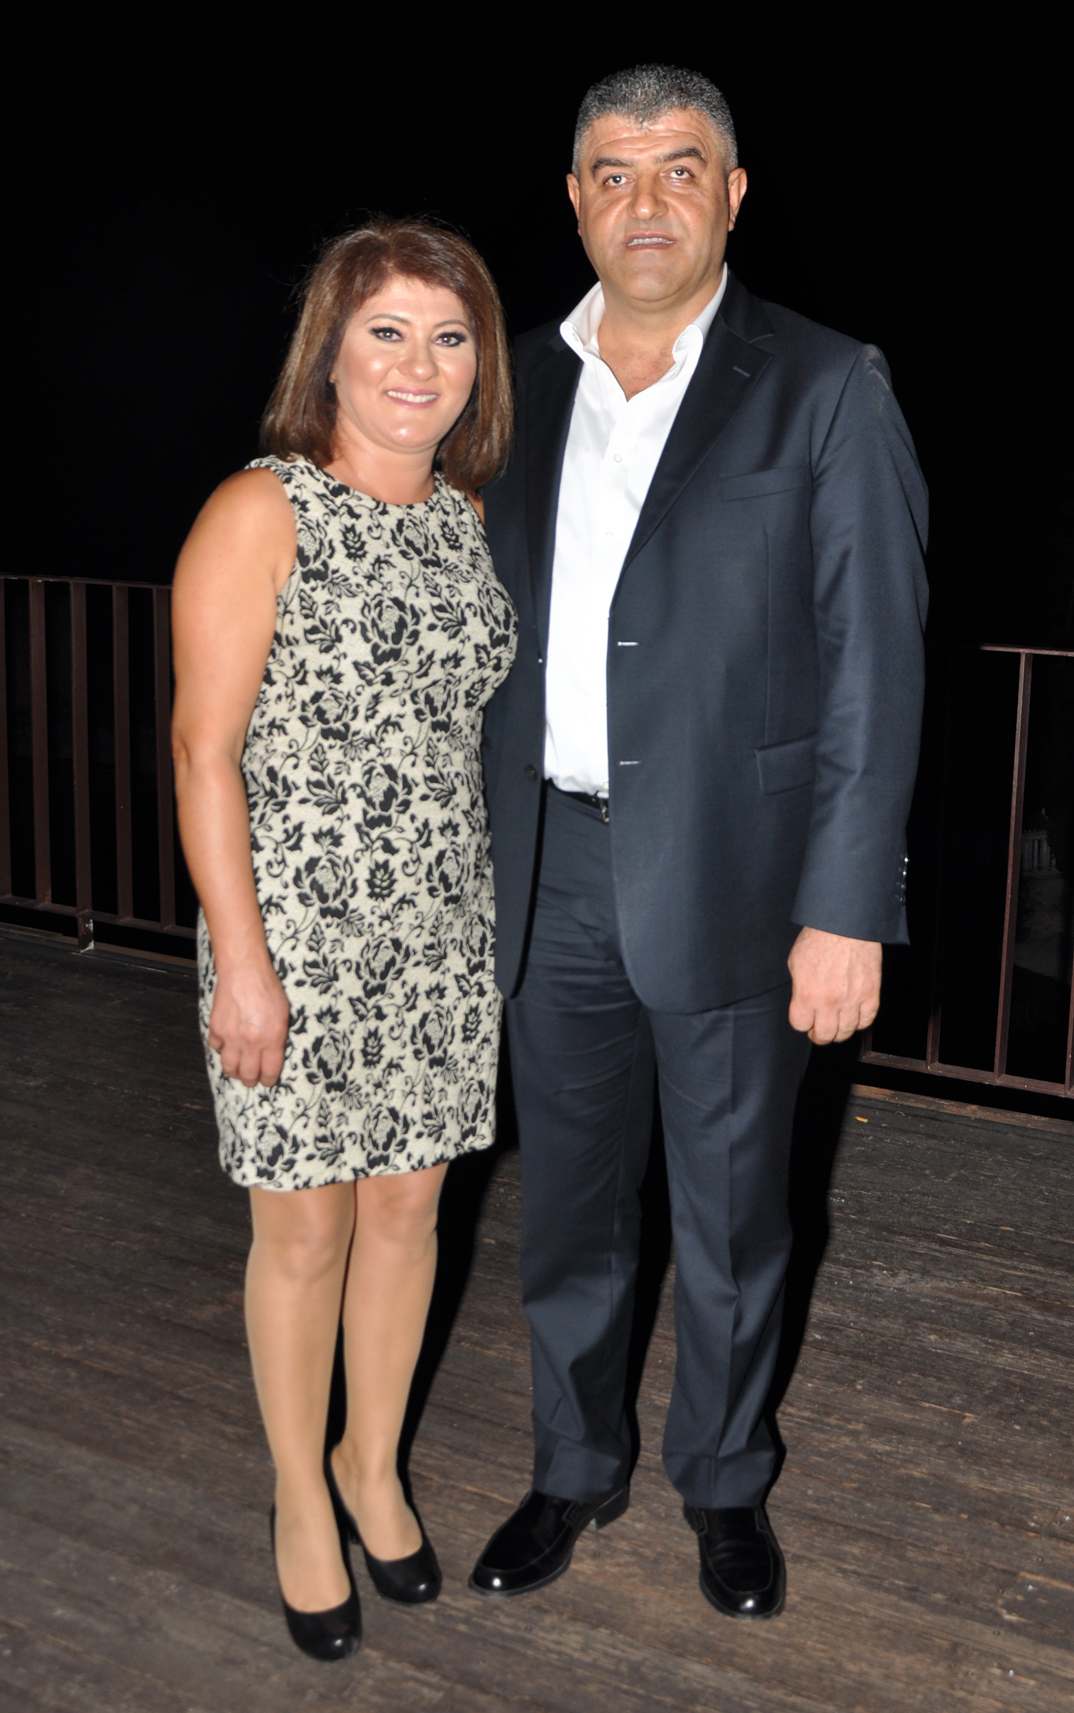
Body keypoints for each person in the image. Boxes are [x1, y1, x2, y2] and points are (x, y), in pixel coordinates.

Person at [471, 66, 928, 1620]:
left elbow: (876, 665)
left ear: (732, 195)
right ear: (576, 201)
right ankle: (571, 1463)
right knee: (569, 1206)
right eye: (613, 171)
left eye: (681, 168)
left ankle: (724, 1482)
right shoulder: (511, 384)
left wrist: (847, 905)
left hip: (740, 879)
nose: (646, 200)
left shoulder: (826, 383)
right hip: (550, 868)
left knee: (734, 1215)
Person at [171, 219, 516, 1660]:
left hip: (440, 927)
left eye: (449, 336)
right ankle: (299, 1496)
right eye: (386, 331)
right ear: (330, 350)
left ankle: (373, 1466)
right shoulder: (262, 510)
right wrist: (242, 964)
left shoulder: (467, 518)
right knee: (304, 1231)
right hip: (295, 932)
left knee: (408, 1216)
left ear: (479, 365)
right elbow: (203, 753)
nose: (417, 364)